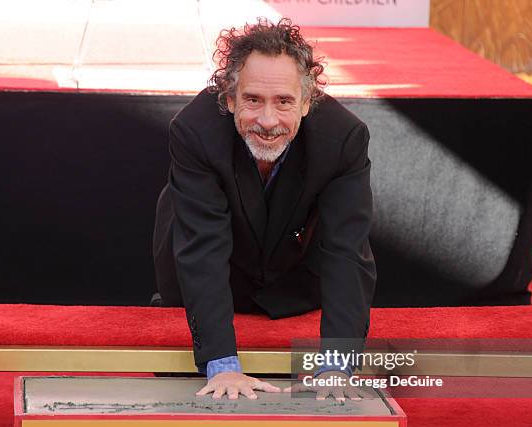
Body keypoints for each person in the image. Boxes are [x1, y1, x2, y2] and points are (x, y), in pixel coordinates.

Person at [153, 18, 376, 401]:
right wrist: (221, 363)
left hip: (292, 276)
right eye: (253, 100)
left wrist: (336, 365)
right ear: (229, 99)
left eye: (284, 102)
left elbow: (346, 252)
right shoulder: (194, 131)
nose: (268, 121)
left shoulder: (343, 139)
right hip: (209, 263)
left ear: (307, 103)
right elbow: (203, 246)